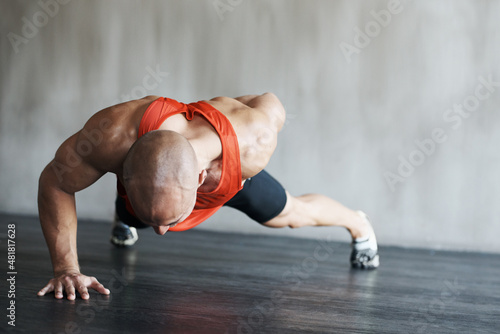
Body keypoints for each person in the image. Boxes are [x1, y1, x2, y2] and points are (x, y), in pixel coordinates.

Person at [37, 93, 379, 301]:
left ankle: (357, 223)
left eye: (170, 221)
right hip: (146, 185)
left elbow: (270, 103)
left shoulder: (253, 143)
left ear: (201, 177)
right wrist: (66, 268)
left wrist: (226, 109)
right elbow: (56, 181)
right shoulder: (110, 136)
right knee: (136, 214)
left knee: (290, 214)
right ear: (122, 171)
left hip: (230, 179)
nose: (163, 235)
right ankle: (131, 214)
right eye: (159, 222)